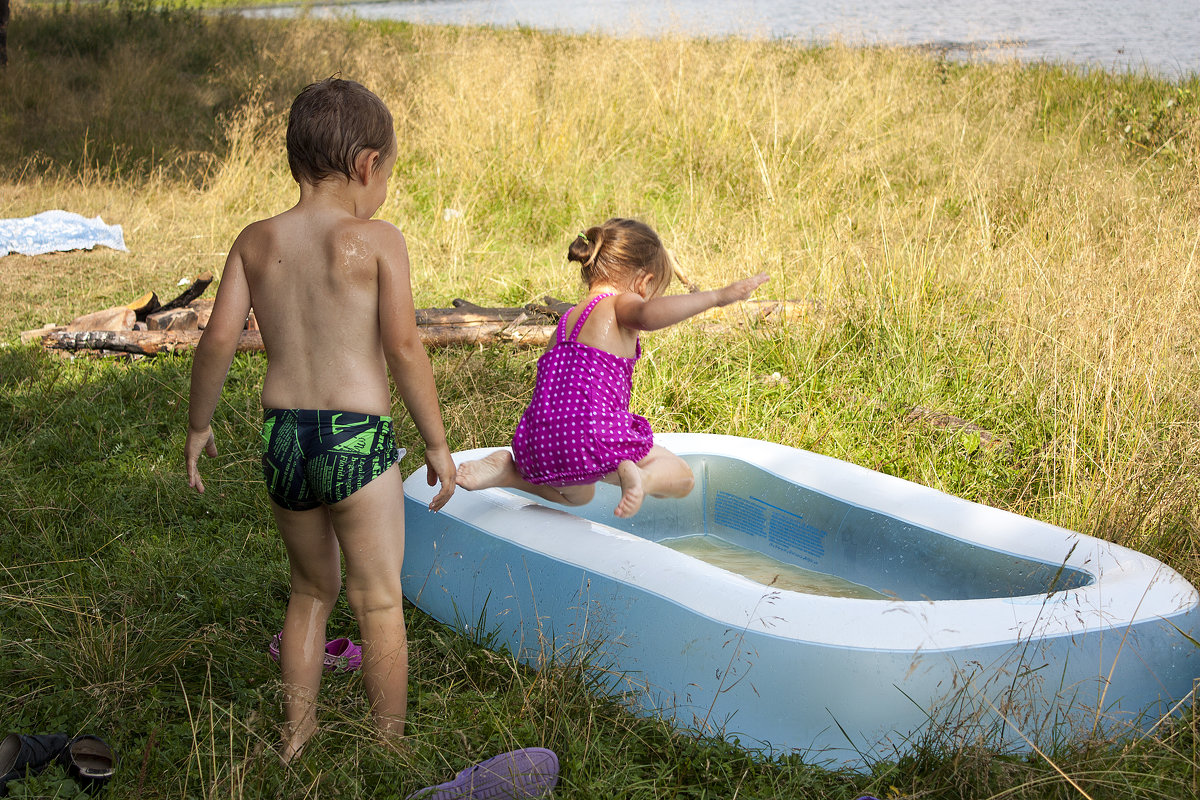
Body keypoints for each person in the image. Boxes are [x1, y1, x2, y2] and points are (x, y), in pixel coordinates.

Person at [184, 77, 456, 761]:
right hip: (356, 442)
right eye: (387, 173)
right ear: (367, 165)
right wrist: (437, 442)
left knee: (310, 590)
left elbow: (217, 339)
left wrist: (199, 425)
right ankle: (386, 747)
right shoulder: (377, 241)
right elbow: (402, 347)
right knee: (378, 601)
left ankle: (295, 735)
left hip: (283, 441)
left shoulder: (255, 240)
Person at [456, 218, 768, 518]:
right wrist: (717, 297)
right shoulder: (619, 305)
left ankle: (509, 472)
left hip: (538, 444)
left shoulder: (564, 324)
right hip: (593, 436)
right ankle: (641, 480)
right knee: (682, 477)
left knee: (580, 494)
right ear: (643, 283)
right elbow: (647, 315)